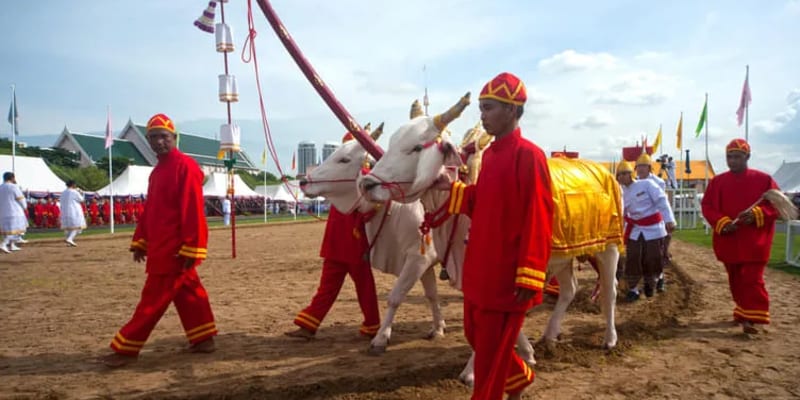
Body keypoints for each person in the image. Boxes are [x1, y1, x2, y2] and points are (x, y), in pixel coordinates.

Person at [443, 72, 553, 400]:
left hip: (507, 274)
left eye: (489, 108)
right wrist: (449, 190)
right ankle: (518, 378)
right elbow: (483, 201)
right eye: (481, 108)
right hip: (481, 269)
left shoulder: (530, 155)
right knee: (475, 336)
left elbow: (539, 217)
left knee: (489, 359)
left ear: (512, 110)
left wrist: (530, 274)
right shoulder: (489, 155)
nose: (482, 115)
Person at [101, 113, 217, 368]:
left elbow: (193, 210)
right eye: (153, 137)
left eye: (164, 137)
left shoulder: (185, 167)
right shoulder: (157, 172)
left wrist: (192, 247)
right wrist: (141, 241)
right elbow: (151, 210)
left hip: (175, 250)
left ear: (174, 138)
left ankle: (126, 348)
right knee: (190, 294)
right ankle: (204, 338)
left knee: (152, 301)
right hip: (160, 247)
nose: (158, 142)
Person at [285, 133, 381, 340]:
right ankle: (308, 324)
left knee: (364, 287)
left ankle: (373, 324)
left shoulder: (366, 178)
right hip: (336, 239)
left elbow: (373, 208)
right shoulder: (338, 174)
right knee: (328, 287)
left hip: (355, 241)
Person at [701, 138, 779, 335]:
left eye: (737, 157)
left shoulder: (764, 180)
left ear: (747, 157)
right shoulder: (717, 182)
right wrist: (722, 222)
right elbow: (708, 206)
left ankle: (752, 318)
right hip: (729, 239)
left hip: (755, 241)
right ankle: (743, 311)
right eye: (729, 157)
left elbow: (777, 205)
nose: (732, 160)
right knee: (735, 279)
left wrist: (756, 214)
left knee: (752, 278)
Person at [620, 157, 675, 302]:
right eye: (619, 175)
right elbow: (621, 212)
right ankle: (633, 289)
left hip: (653, 228)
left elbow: (661, 201)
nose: (621, 177)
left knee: (652, 257)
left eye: (624, 173)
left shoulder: (648, 184)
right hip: (634, 228)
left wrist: (669, 220)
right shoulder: (621, 192)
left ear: (630, 173)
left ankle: (652, 282)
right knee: (632, 258)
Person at [636, 153, 673, 293]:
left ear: (649, 168)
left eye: (643, 166)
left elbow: (661, 203)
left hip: (656, 222)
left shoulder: (659, 182)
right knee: (642, 255)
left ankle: (660, 277)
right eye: (638, 166)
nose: (640, 169)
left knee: (658, 254)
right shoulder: (634, 182)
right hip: (640, 224)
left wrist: (667, 221)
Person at [0, 172, 28, 253]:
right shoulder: (13, 186)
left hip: (3, 212)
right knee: (15, 229)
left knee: (7, 229)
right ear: (12, 178)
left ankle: (12, 245)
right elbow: (21, 198)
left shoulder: (0, 187)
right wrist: (25, 207)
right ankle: (4, 244)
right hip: (14, 211)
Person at [60, 180, 86, 247]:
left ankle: (69, 242)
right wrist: (81, 193)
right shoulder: (74, 192)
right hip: (74, 211)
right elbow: (82, 200)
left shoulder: (63, 192)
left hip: (65, 211)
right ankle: (70, 239)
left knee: (68, 227)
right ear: (73, 185)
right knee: (77, 225)